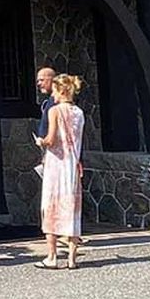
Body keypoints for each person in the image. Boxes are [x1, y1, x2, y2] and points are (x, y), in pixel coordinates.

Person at [34, 73, 84, 269]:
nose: (52, 95)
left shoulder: (55, 111)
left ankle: (52, 256)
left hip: (56, 165)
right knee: (72, 209)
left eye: (54, 91)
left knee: (50, 207)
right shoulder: (79, 113)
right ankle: (72, 259)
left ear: (61, 91)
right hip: (73, 165)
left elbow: (51, 139)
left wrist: (41, 141)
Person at [35, 64, 56, 138]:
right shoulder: (50, 101)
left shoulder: (57, 101)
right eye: (38, 81)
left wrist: (47, 140)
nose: (38, 84)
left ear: (52, 80)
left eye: (42, 80)